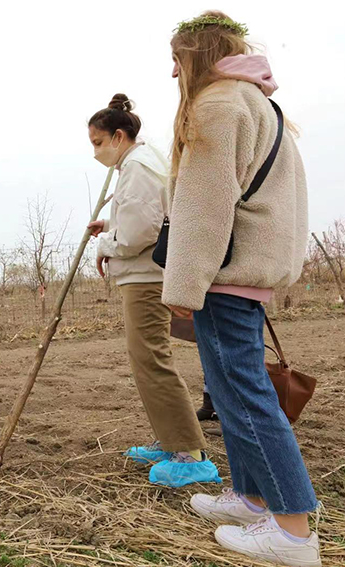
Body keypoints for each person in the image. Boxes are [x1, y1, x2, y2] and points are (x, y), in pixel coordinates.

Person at [164, 12, 320, 566]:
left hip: (227, 274)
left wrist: (183, 283)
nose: (172, 71)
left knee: (247, 396)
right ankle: (254, 499)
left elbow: (204, 207)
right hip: (248, 270)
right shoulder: (257, 101)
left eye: (177, 60)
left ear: (196, 57)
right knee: (232, 392)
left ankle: (294, 533)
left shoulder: (218, 104)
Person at [87, 95, 220, 488]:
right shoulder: (140, 164)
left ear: (118, 135)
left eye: (98, 142)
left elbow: (138, 233)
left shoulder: (139, 167)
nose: (95, 151)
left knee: (152, 361)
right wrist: (111, 222)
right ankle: (170, 440)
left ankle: (189, 453)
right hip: (142, 274)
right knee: (146, 360)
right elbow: (145, 216)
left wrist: (106, 242)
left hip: (145, 277)